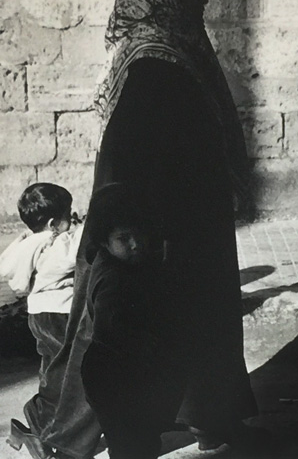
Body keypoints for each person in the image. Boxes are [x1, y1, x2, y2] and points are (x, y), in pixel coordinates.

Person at [29, 0, 260, 459]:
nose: (201, 0)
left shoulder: (161, 54)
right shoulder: (155, 65)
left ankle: (206, 418)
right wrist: (143, 236)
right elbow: (142, 156)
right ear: (163, 1)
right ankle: (76, 438)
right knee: (128, 338)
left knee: (167, 330)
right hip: (155, 230)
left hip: (162, 225)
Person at [80, 182, 185, 459]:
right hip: (116, 376)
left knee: (140, 444)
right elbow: (107, 329)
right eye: (124, 238)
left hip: (124, 375)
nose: (136, 244)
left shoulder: (124, 263)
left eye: (139, 235)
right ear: (105, 241)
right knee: (133, 446)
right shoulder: (114, 279)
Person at [0, 183, 82, 458]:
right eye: (69, 214)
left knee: (54, 368)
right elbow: (72, 256)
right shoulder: (53, 247)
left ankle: (33, 426)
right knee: (64, 373)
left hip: (42, 313)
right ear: (54, 223)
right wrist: (85, 227)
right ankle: (39, 420)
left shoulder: (31, 242)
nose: (74, 217)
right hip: (57, 314)